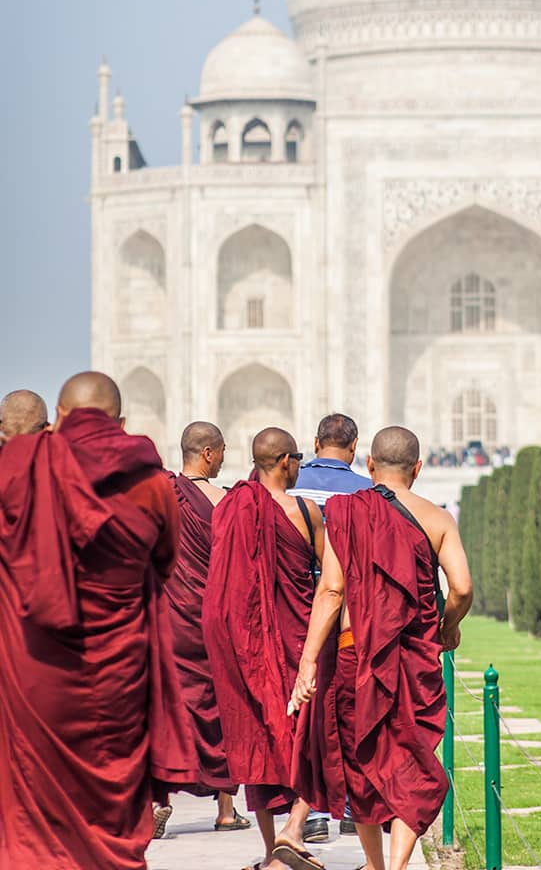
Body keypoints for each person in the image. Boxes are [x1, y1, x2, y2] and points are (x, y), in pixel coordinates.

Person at [0, 370, 196, 870]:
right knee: (112, 801)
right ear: (122, 421)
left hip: (33, 667)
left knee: (30, 809)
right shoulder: (153, 484)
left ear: (58, 420)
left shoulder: (18, 469)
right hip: (117, 676)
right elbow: (166, 563)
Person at [290, 425, 473, 870]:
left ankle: (376, 865)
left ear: (369, 465)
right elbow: (463, 588)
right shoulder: (437, 518)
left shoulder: (344, 514)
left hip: (355, 656)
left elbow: (331, 592)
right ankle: (392, 866)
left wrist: (308, 664)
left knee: (363, 764)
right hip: (413, 658)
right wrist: (448, 627)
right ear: (419, 469)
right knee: (413, 764)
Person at [203, 427, 326, 870]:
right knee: (312, 736)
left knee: (258, 740)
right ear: (286, 462)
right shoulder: (305, 511)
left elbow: (222, 589)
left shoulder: (233, 507)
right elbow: (331, 578)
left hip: (247, 650)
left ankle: (272, 847)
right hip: (297, 641)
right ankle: (294, 829)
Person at [162, 421, 250, 835]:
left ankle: (155, 803)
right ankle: (227, 810)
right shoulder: (225, 503)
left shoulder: (162, 496)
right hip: (213, 619)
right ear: (209, 454)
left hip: (172, 619)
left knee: (168, 710)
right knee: (218, 709)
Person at [288, 412, 369, 842]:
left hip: (293, 611)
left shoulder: (286, 487)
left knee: (306, 718)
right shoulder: (368, 493)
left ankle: (313, 811)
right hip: (348, 618)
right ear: (355, 449)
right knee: (350, 712)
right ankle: (355, 805)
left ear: (315, 444)